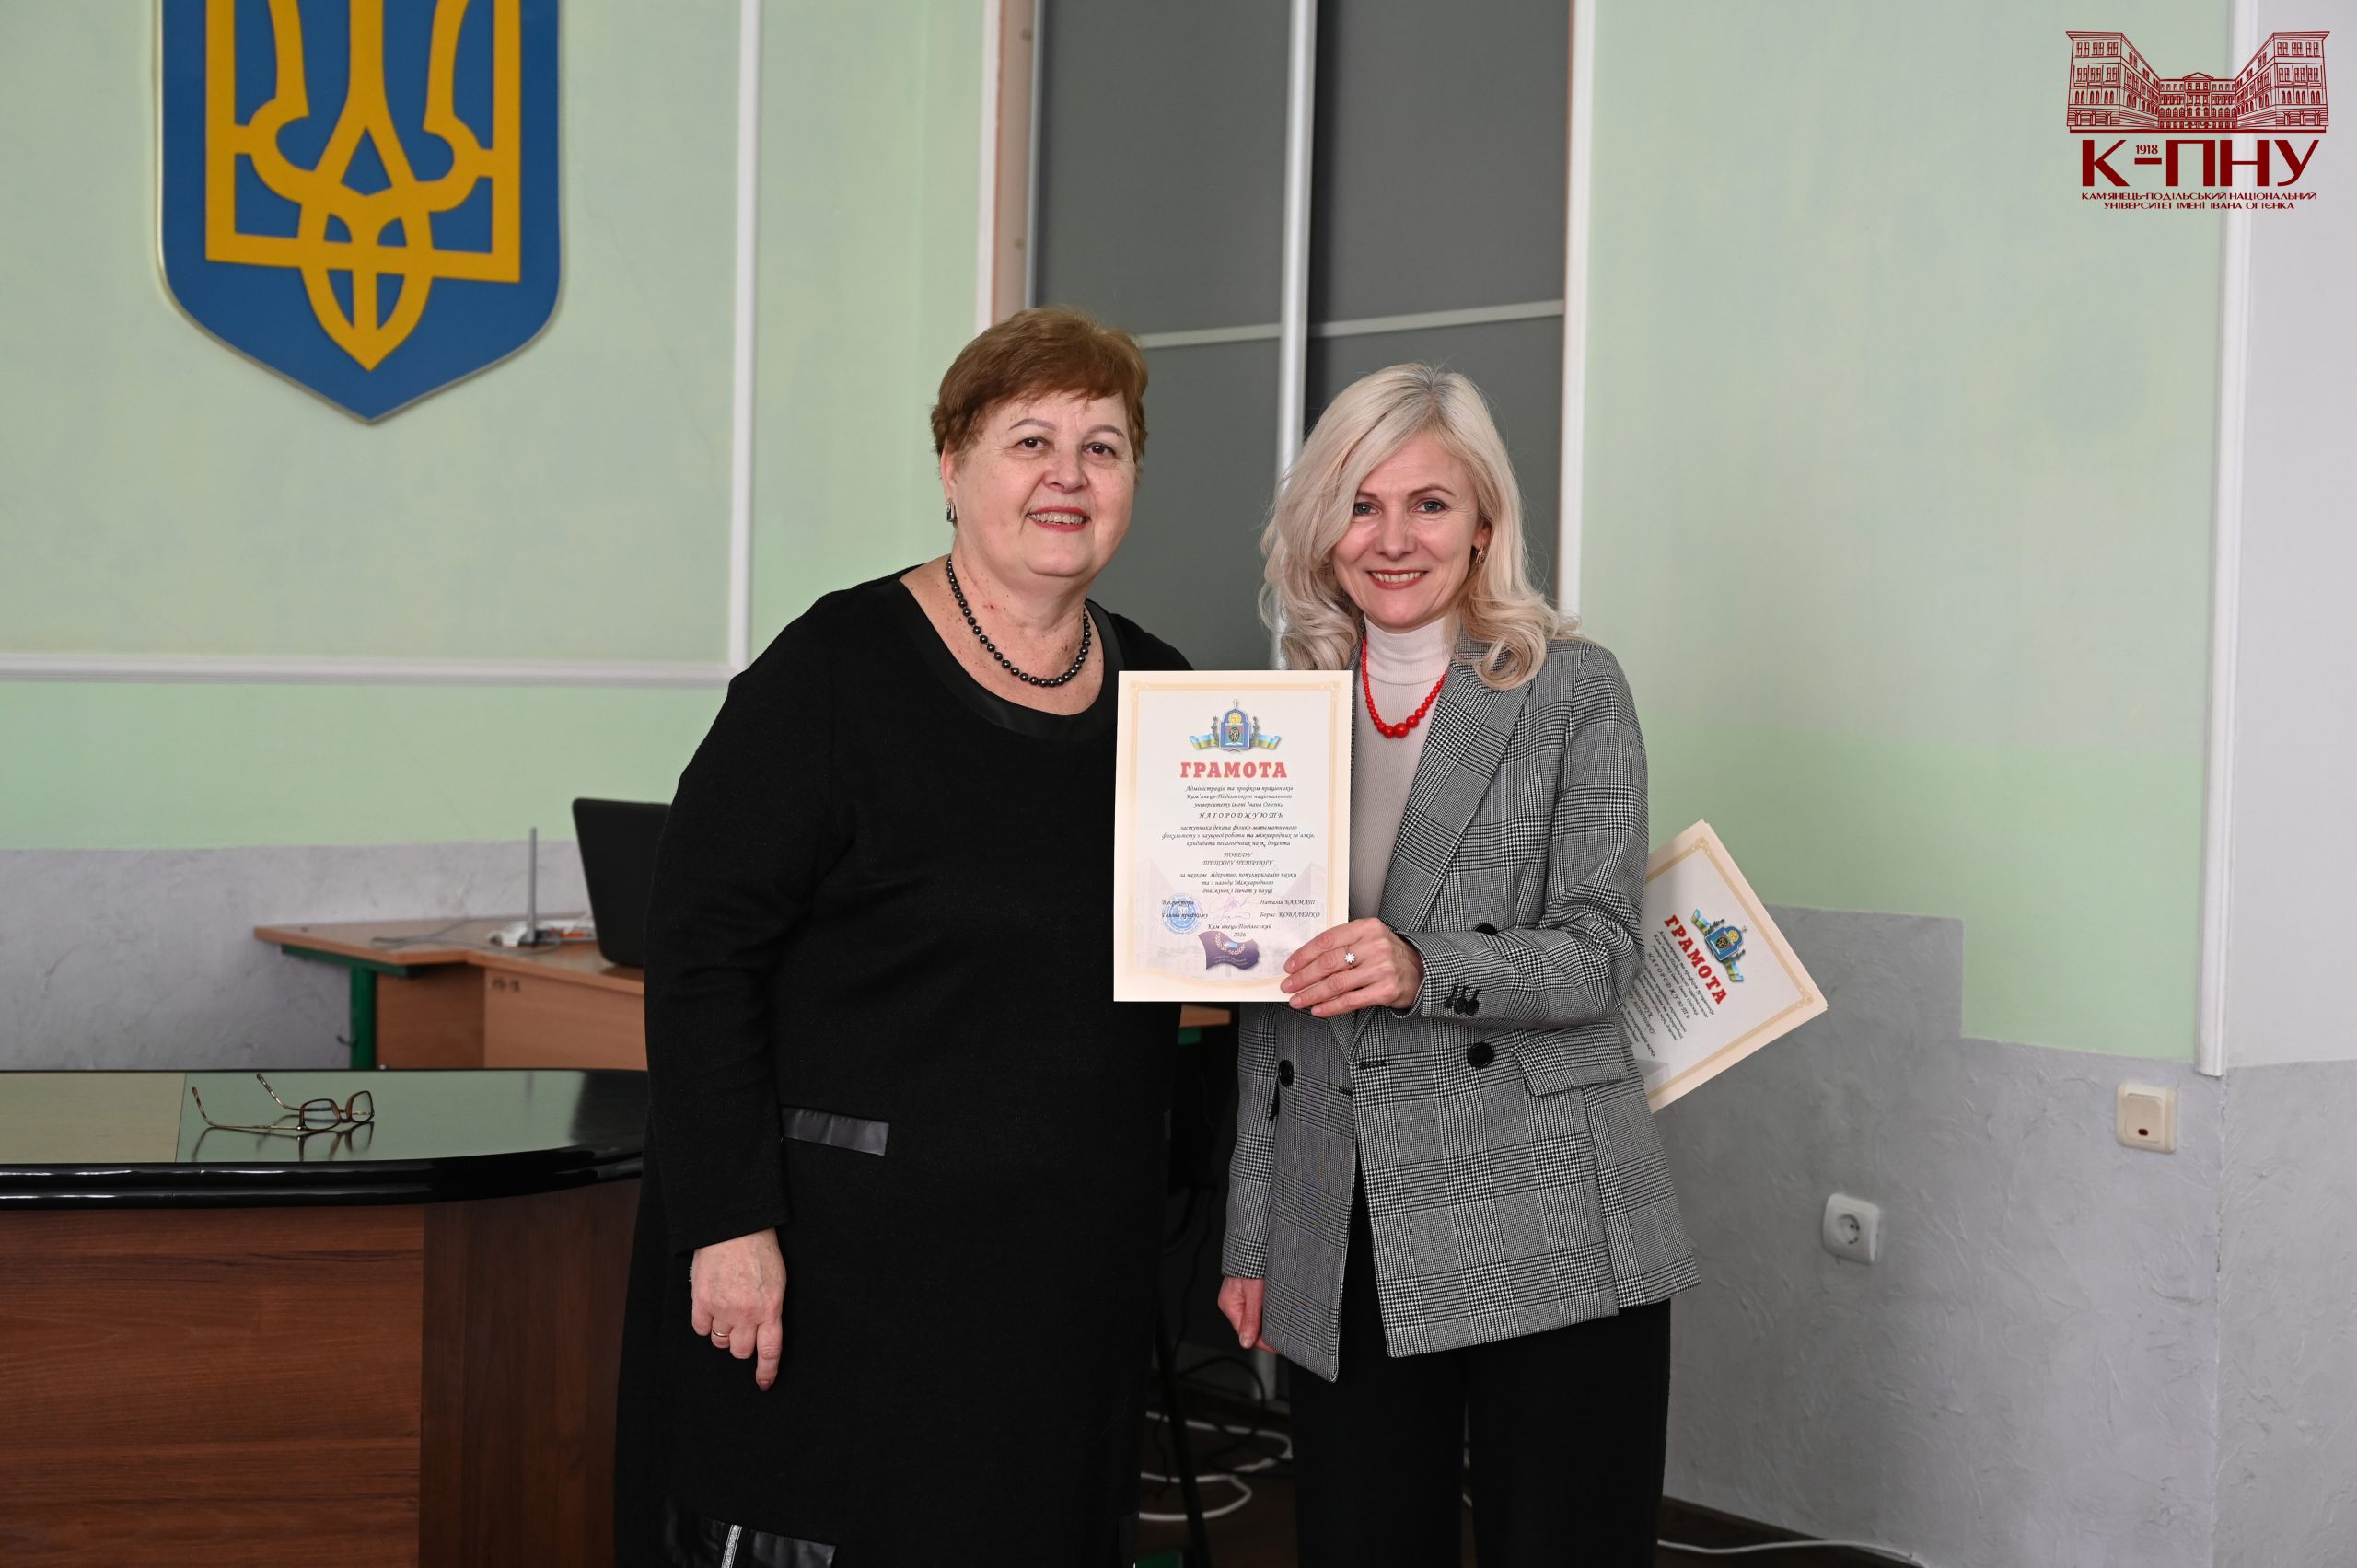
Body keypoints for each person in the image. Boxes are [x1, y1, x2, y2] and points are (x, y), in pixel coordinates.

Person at [615, 308, 1190, 1566]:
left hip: (1063, 1281)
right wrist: (726, 1222)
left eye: (1101, 447)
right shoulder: (833, 671)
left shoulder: (1176, 700)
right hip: (834, 1266)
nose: (1068, 477)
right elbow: (702, 959)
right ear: (952, 466)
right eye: (1029, 441)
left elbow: (1195, 959)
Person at [1215, 364, 1697, 1566]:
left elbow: (1602, 953)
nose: (1392, 539)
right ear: (1321, 527)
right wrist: (1253, 1235)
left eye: (1428, 504)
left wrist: (1420, 965)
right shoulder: (1278, 714)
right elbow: (1269, 1018)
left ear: (1484, 521)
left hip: (1546, 1202)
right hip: (1344, 1216)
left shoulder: (1570, 690)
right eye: (1360, 504)